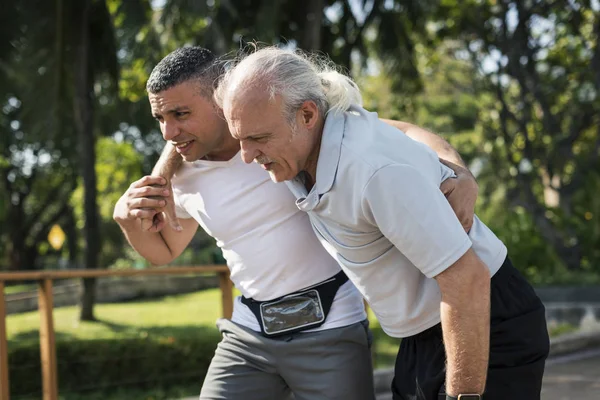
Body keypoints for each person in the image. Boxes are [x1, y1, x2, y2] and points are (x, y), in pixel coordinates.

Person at [113, 46, 479, 400]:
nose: (168, 132)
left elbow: (402, 132)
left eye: (180, 114)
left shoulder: (287, 130)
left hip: (332, 325)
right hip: (249, 334)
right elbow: (164, 251)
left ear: (219, 97)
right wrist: (128, 222)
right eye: (161, 118)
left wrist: (459, 171)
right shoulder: (181, 174)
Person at [214, 47, 550, 400]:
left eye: (258, 139)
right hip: (424, 331)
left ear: (308, 114)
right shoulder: (328, 132)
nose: (248, 156)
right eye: (240, 139)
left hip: (484, 319)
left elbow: (467, 280)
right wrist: (457, 167)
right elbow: (404, 129)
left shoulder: (372, 171)